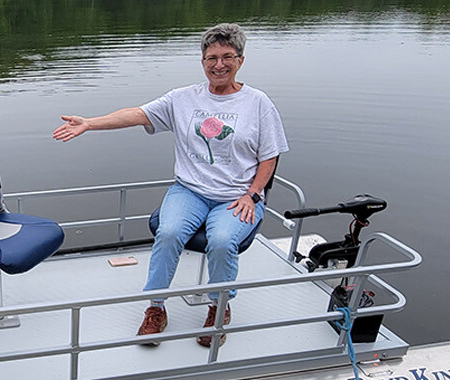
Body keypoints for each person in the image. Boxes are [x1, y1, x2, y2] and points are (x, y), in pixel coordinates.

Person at [50, 23, 288, 347]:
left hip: (237, 196)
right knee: (169, 232)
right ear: (202, 61)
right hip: (190, 190)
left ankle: (219, 308)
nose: (219, 65)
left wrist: (253, 194)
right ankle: (156, 308)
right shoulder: (183, 98)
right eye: (211, 57)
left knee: (220, 241)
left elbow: (269, 157)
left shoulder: (258, 103)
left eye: (227, 57)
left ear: (240, 60)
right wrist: (90, 123)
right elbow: (136, 114)